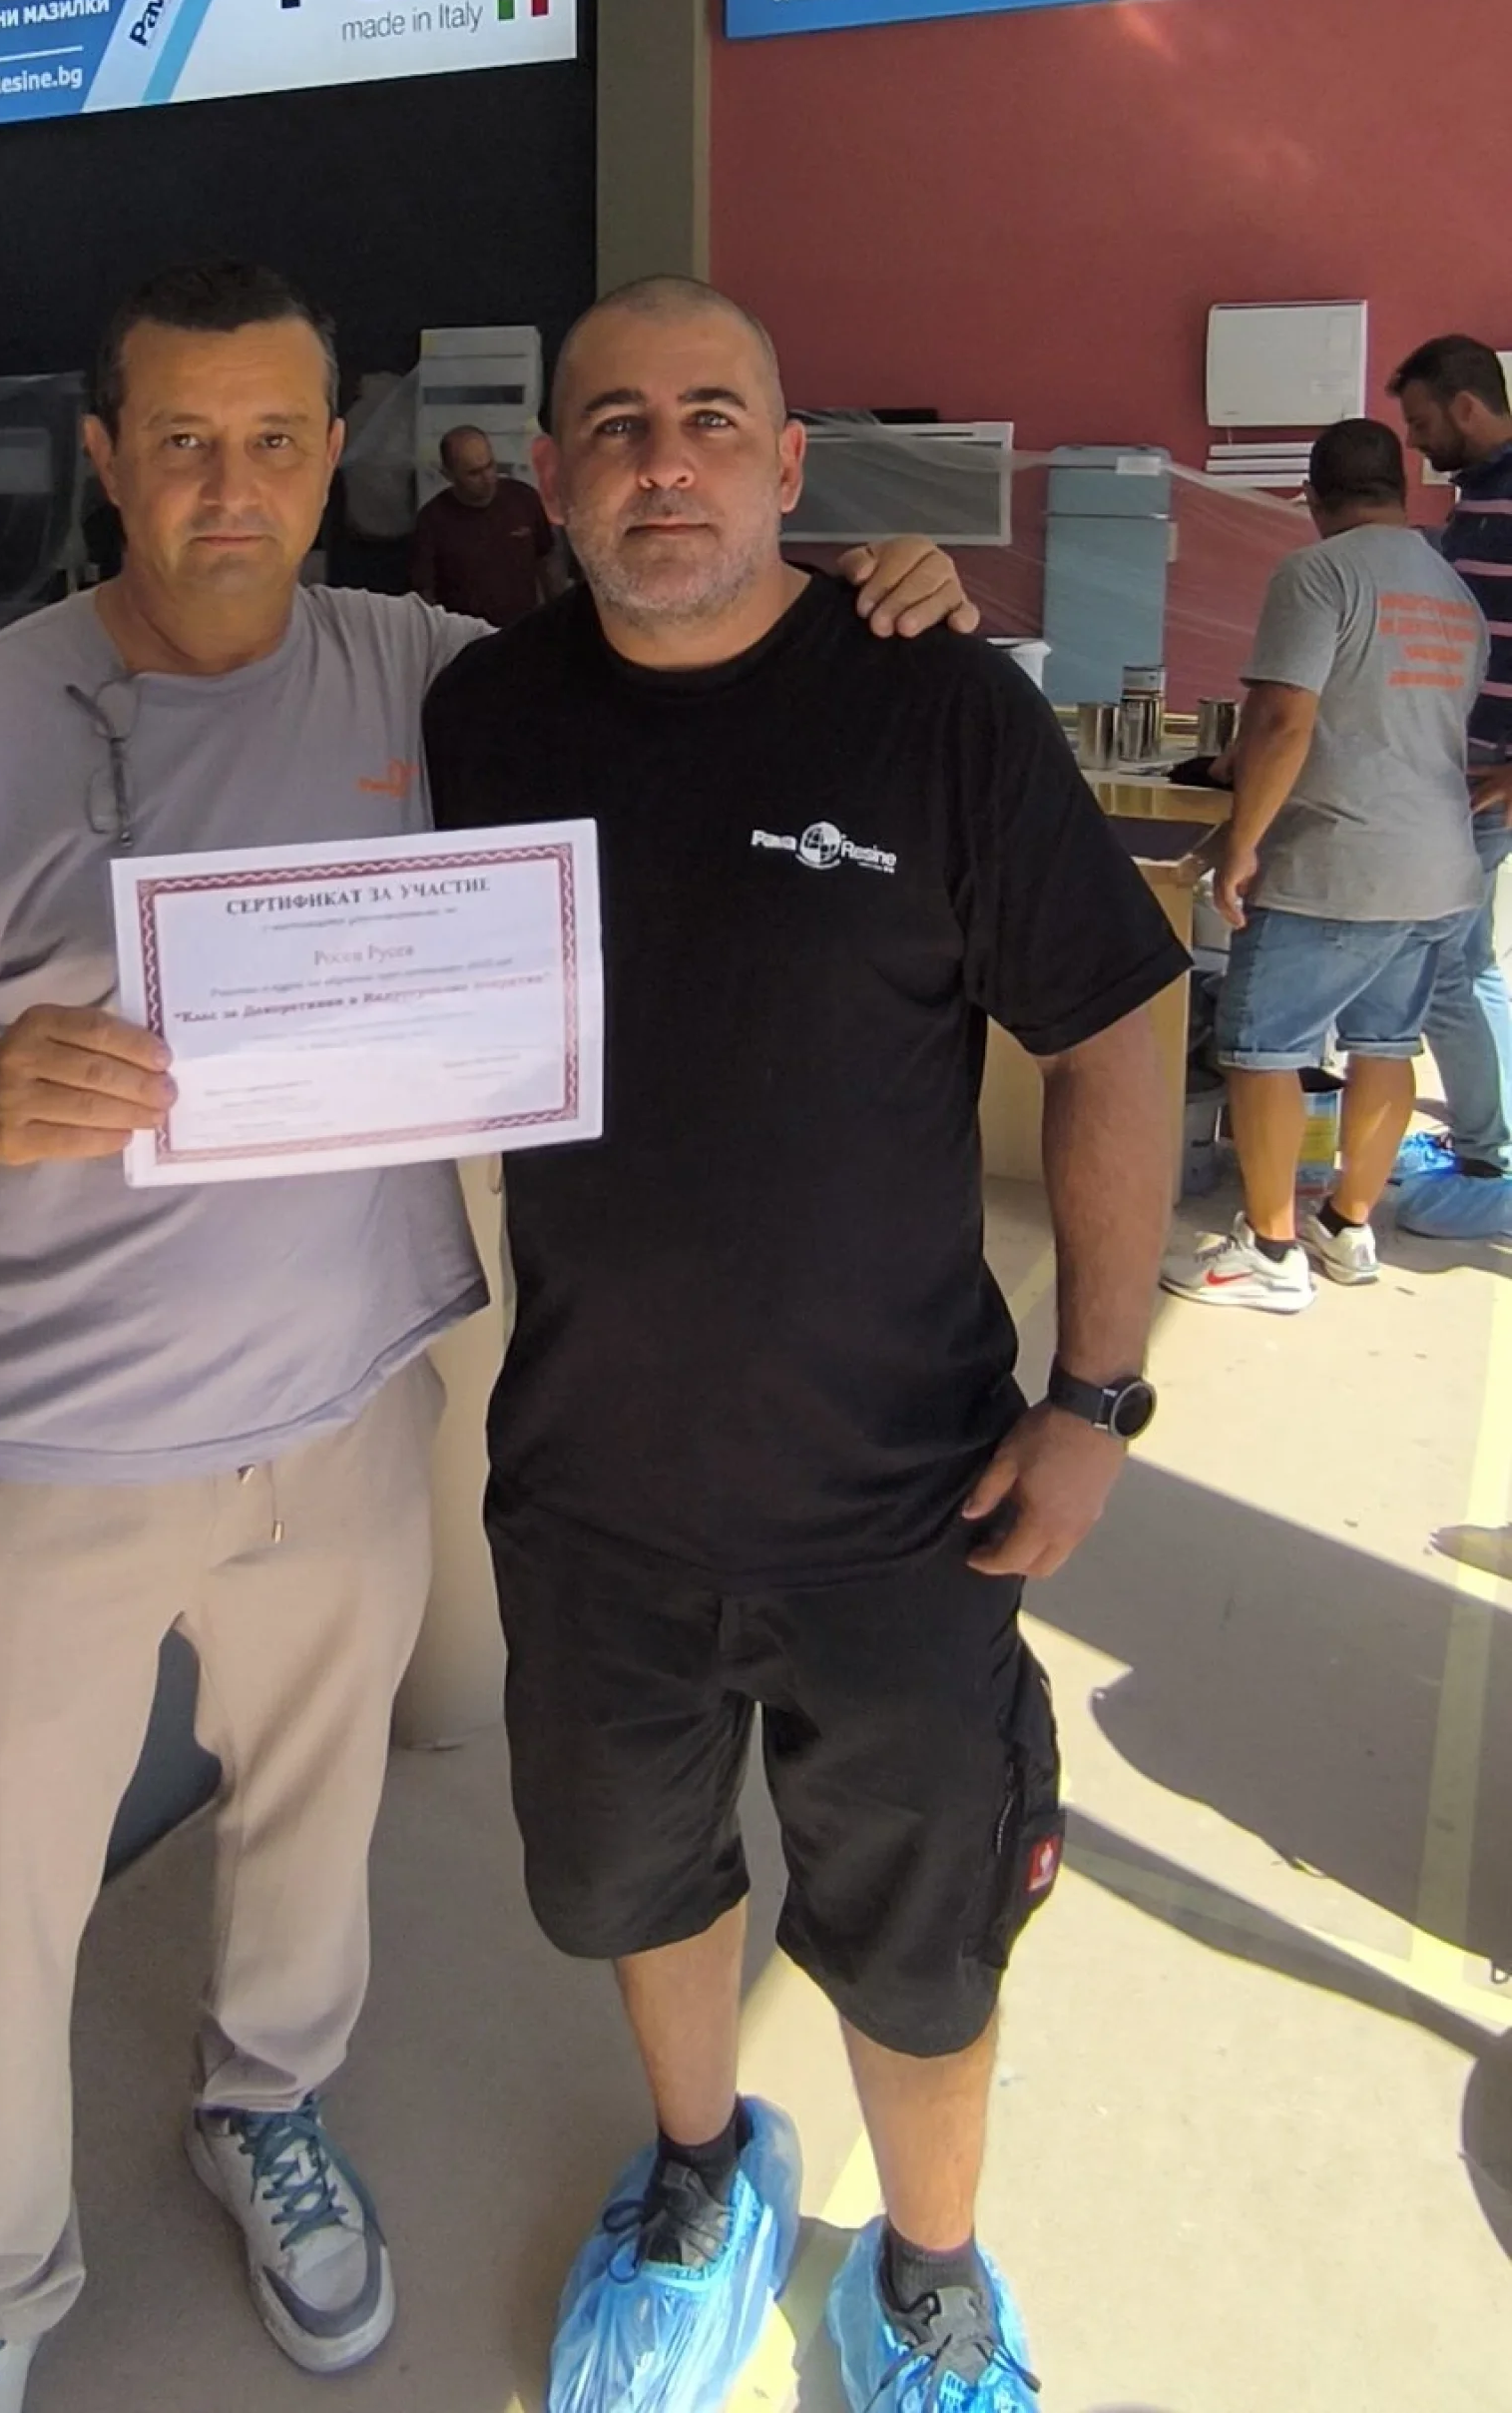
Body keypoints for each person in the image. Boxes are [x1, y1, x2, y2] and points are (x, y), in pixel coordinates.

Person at [0, 258, 975, 2413]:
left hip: (340, 1411)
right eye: (180, 441)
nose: (227, 486)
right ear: (107, 458)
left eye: (272, 439)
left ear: (337, 456)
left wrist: (869, 598)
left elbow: (686, 658)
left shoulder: (433, 678)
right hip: (52, 1432)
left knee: (308, 1830)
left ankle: (266, 2104)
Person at [421, 276, 1185, 2413]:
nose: (661, 460)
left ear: (785, 464)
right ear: (554, 473)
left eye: (709, 417)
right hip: (590, 1483)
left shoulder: (931, 701)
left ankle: (931, 2269)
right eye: (614, 423)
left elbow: (1119, 1024)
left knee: (924, 1927)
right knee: (631, 1875)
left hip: (902, 1496)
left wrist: (1096, 1394)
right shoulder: (484, 716)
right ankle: (702, 2166)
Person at [1166, 418, 1484, 1315]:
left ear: (1312, 494)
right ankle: (1346, 1227)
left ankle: (1270, 1250)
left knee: (1262, 1049)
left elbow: (1283, 719)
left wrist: (1240, 843)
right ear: (1403, 490)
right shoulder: (1452, 591)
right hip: (1437, 865)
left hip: (1337, 862)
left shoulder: (1318, 573)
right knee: (1387, 1044)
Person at [1387, 335, 1512, 1238]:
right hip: (1463, 770)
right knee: (1472, 960)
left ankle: (1484, 1159)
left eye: (1424, 421)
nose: (1418, 442)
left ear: (1468, 406)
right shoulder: (1477, 498)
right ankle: (1493, 1140)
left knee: (1437, 973)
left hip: (1483, 778)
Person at [410, 422, 560, 626]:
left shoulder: (523, 499)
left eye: (490, 466)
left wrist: (558, 617)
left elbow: (547, 562)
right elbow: (425, 594)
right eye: (474, 473)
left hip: (522, 629)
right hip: (465, 634)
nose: (487, 478)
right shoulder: (432, 521)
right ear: (448, 475)